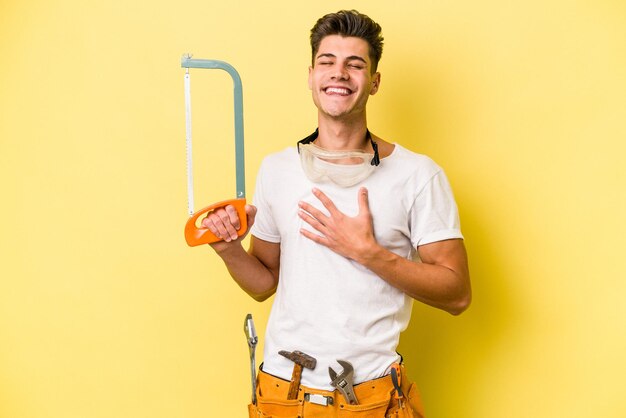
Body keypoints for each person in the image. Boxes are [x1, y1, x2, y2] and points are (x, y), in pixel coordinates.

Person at [203, 9, 471, 418]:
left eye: (355, 64)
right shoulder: (277, 169)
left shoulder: (418, 175)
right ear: (311, 75)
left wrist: (368, 252)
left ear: (374, 81)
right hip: (281, 393)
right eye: (327, 62)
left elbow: (457, 294)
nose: (339, 74)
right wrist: (228, 250)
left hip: (369, 399)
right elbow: (264, 283)